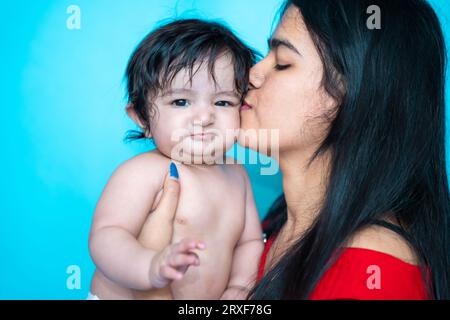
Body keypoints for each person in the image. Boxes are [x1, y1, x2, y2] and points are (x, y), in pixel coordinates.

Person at [140, 0, 450, 299]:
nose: (251, 75)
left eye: (283, 63)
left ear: (349, 96)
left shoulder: (371, 275)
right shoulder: (275, 226)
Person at [88, 19, 264, 300]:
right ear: (142, 117)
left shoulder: (237, 175)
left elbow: (250, 242)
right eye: (181, 102)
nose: (205, 117)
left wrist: (238, 289)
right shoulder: (144, 172)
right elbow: (107, 236)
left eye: (223, 102)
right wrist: (149, 268)